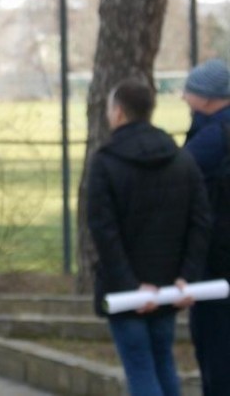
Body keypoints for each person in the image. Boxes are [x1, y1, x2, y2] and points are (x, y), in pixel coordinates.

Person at [87, 78, 211, 395]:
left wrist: (130, 285)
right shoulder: (182, 159)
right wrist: (186, 275)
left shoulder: (105, 162)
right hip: (169, 286)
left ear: (118, 112)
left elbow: (103, 231)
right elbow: (200, 221)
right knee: (163, 362)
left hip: (127, 292)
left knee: (140, 369)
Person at [181, 58, 230, 396]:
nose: (184, 97)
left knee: (216, 355)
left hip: (215, 263)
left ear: (208, 98)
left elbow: (178, 176)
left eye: (190, 91)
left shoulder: (211, 138)